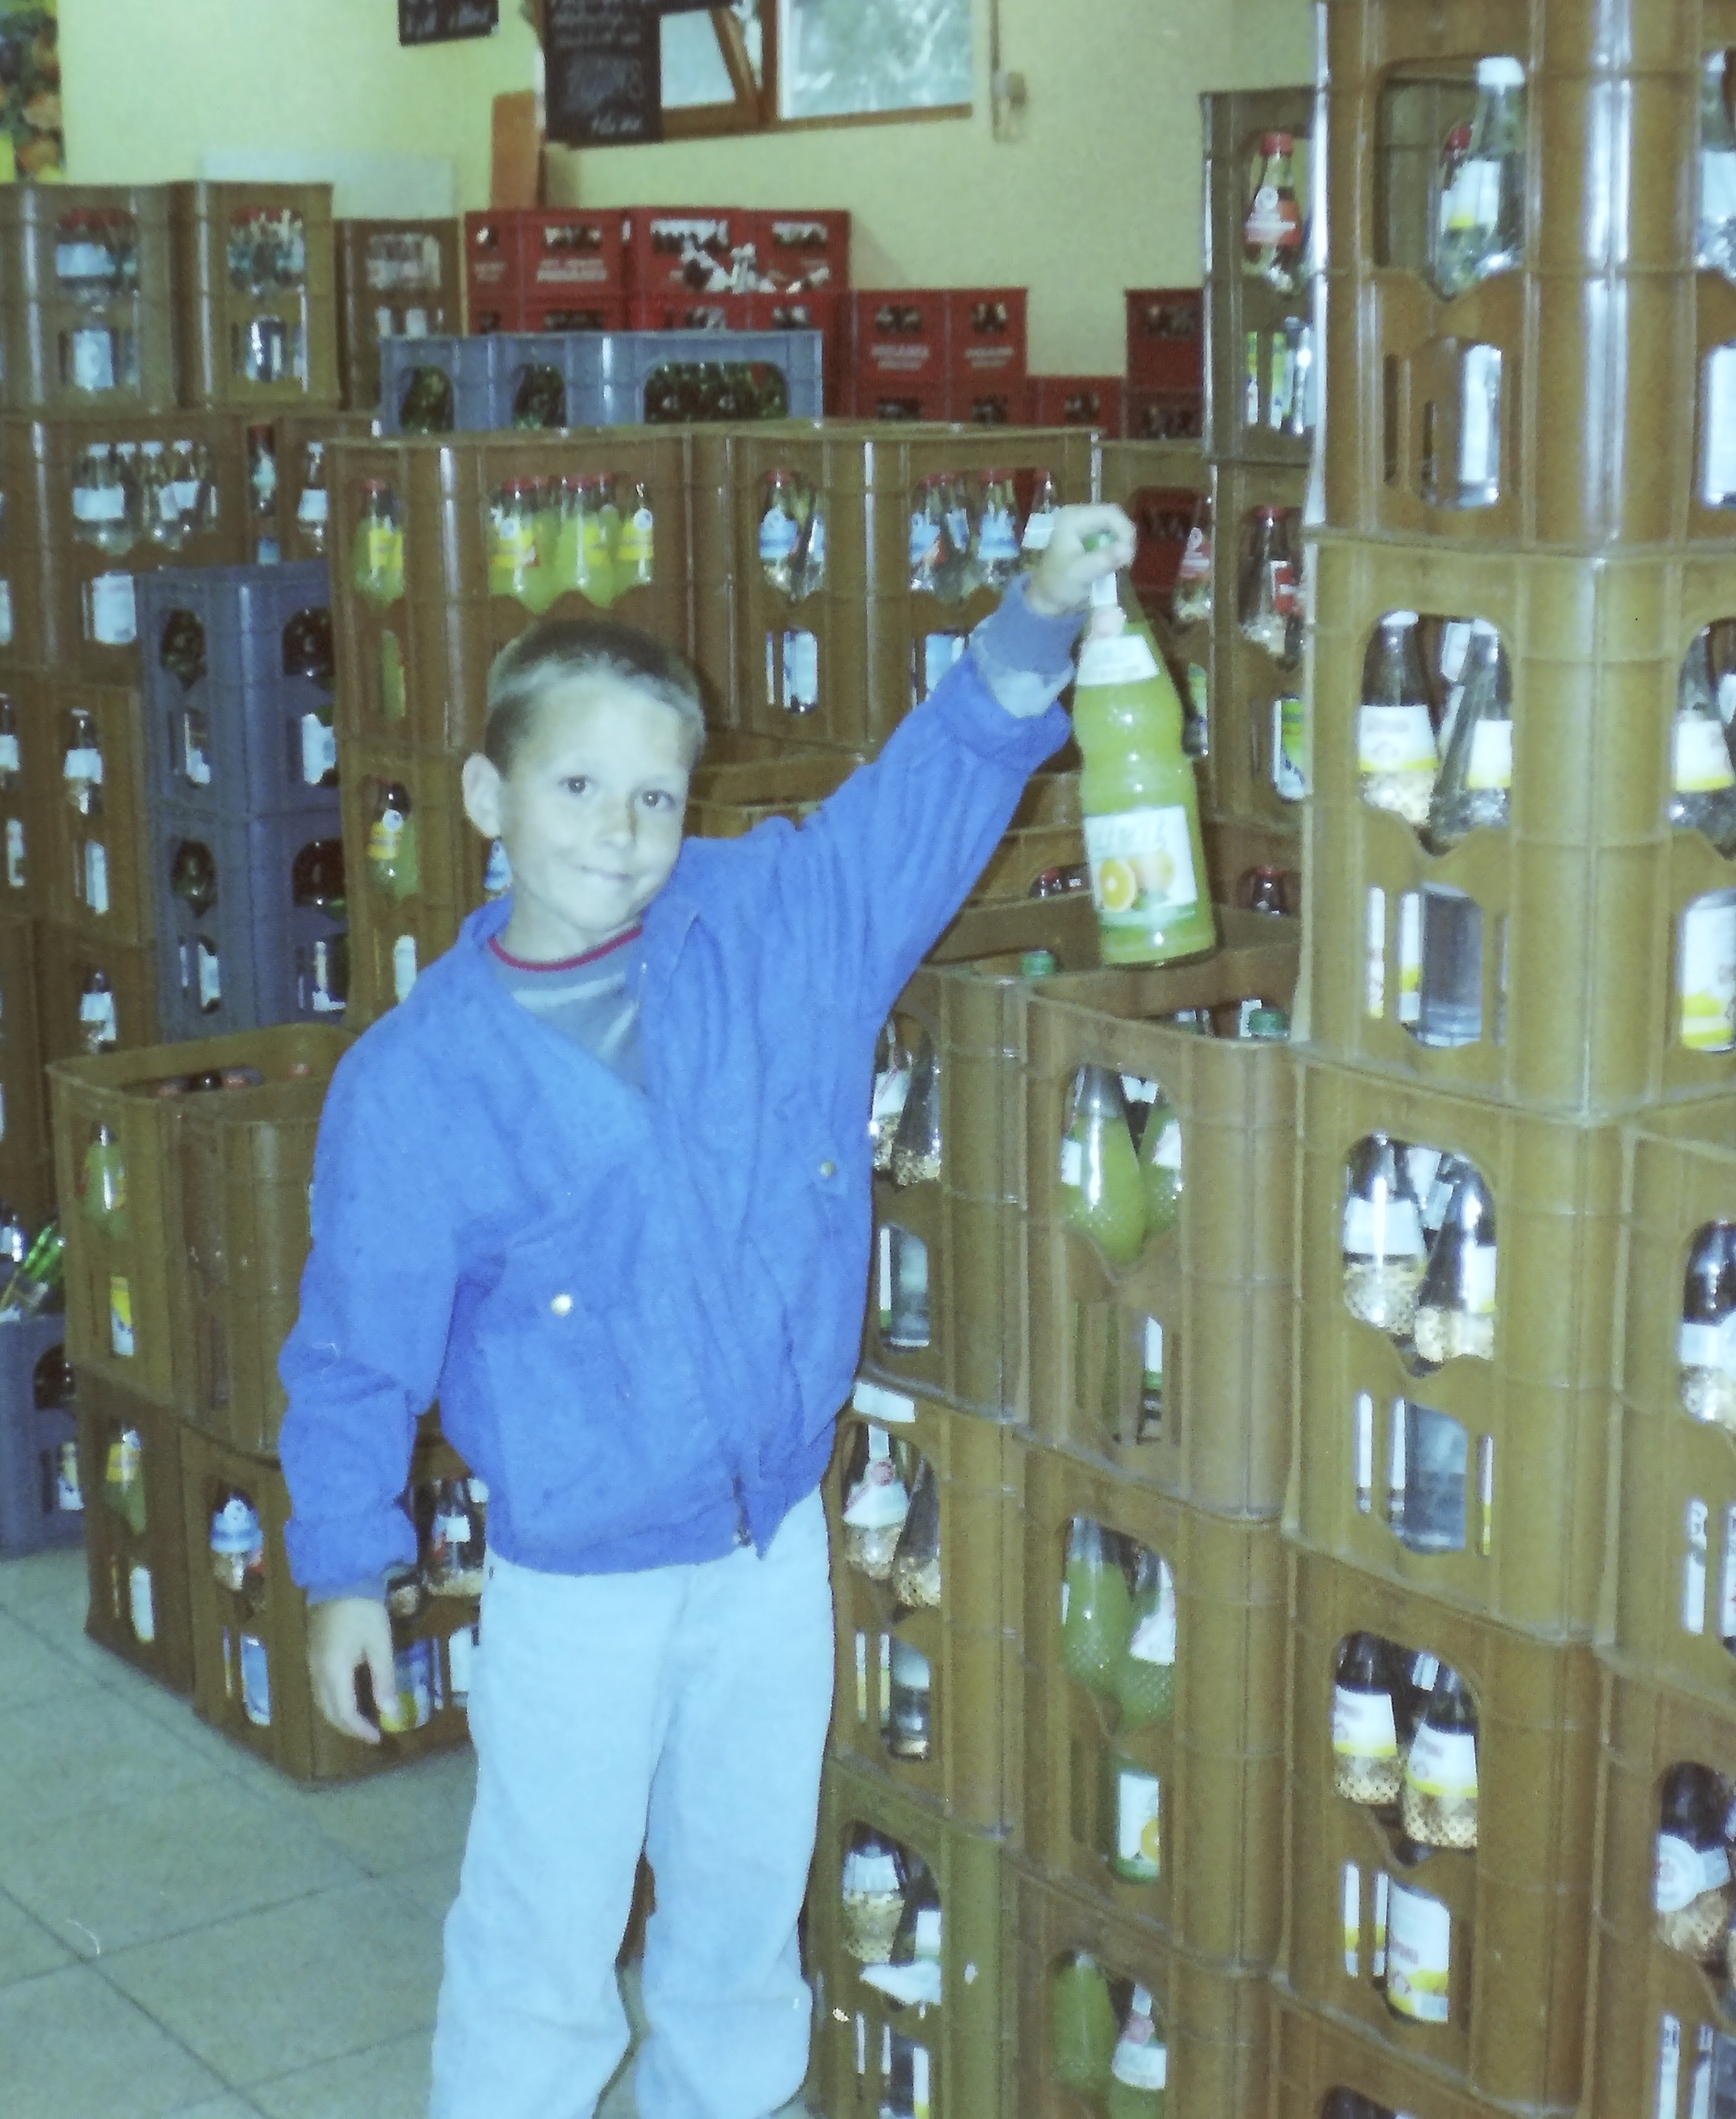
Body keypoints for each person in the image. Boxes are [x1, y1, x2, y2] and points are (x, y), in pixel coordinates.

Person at [275, 500, 1141, 2119]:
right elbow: (353, 1354)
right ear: (488, 797)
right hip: (577, 1583)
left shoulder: (769, 934)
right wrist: (343, 1574)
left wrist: (1037, 612)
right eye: (576, 788)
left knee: (743, 1926)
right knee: (545, 1944)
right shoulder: (416, 1083)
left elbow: (919, 801)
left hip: (766, 1551)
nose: (617, 833)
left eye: (656, 797)